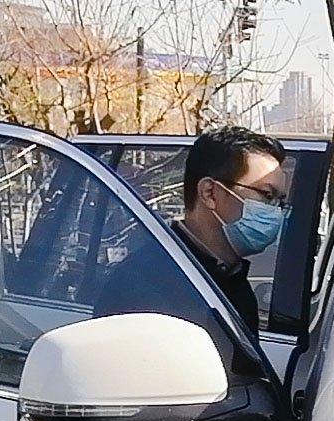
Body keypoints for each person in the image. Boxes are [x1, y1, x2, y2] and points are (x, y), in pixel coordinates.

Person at [93, 126, 289, 334]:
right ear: (209, 193)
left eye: (280, 201)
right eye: (267, 195)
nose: (275, 210)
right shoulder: (141, 287)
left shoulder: (234, 283)